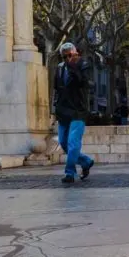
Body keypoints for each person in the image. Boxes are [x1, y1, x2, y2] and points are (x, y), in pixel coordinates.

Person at [53, 43, 95, 183]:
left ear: (75, 53)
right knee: (63, 143)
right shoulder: (59, 68)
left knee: (73, 143)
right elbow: (56, 88)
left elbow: (84, 83)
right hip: (63, 110)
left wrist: (73, 66)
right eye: (65, 56)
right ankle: (86, 161)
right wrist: (55, 107)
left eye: (70, 55)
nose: (68, 58)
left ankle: (69, 172)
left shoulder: (83, 65)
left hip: (78, 110)